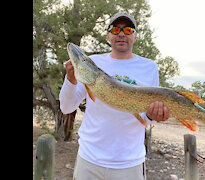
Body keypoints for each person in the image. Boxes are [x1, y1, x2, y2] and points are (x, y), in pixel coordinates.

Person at [59, 12, 169, 180]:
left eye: (128, 30)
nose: (122, 34)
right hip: (89, 159)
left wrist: (152, 115)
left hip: (129, 164)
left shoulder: (149, 67)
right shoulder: (92, 64)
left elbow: (146, 117)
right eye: (116, 29)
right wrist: (70, 79)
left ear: (135, 36)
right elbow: (66, 107)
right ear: (108, 35)